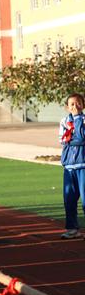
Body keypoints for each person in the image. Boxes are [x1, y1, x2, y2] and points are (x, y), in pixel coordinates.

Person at [59, 92, 85, 239]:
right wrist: (77, 139)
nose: (75, 106)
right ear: (67, 107)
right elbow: (64, 140)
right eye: (72, 104)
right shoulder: (64, 121)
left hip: (83, 165)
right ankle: (72, 229)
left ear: (83, 104)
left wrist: (78, 120)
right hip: (69, 166)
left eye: (78, 103)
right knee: (69, 199)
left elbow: (81, 137)